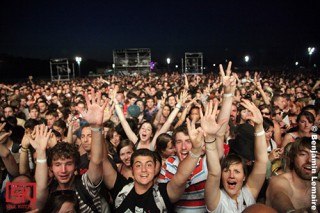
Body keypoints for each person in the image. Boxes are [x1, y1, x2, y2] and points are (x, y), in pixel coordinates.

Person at [102, 116, 205, 212]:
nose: (143, 169)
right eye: (138, 165)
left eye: (149, 165)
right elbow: (101, 159)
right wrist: (96, 127)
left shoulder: (163, 193)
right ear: (132, 170)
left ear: (156, 168)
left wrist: (195, 150)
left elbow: (182, 176)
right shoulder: (122, 188)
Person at [30, 88, 107, 212]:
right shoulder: (50, 192)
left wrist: (96, 127)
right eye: (58, 164)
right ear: (51, 168)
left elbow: (97, 161)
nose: (63, 170)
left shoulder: (85, 185)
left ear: (76, 166)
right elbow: (40, 186)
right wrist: (40, 152)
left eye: (69, 164)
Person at [205, 99, 268, 213]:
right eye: (226, 171)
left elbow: (262, 161)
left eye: (237, 171)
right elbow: (213, 173)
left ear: (244, 176)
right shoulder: (216, 200)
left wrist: (259, 126)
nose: (231, 176)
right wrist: (209, 138)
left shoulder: (249, 193)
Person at [266, 137, 320, 212]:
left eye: (316, 157)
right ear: (292, 157)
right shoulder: (279, 181)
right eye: (303, 154)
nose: (310, 160)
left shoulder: (318, 187)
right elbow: (278, 196)